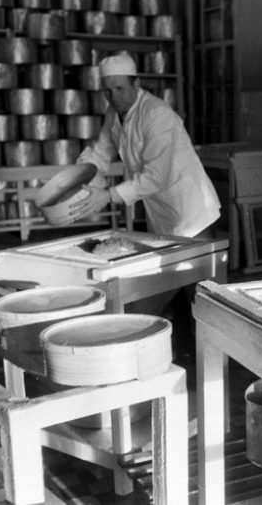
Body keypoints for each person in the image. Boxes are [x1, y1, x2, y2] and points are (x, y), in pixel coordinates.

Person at [71, 53, 222, 360]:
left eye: (120, 89)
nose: (113, 96)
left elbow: (156, 176)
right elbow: (101, 154)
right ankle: (178, 359)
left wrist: (108, 195)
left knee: (204, 301)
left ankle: (214, 366)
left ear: (136, 83)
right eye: (108, 90)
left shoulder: (157, 115)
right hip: (163, 217)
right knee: (177, 296)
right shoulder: (114, 115)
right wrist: (80, 180)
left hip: (192, 214)